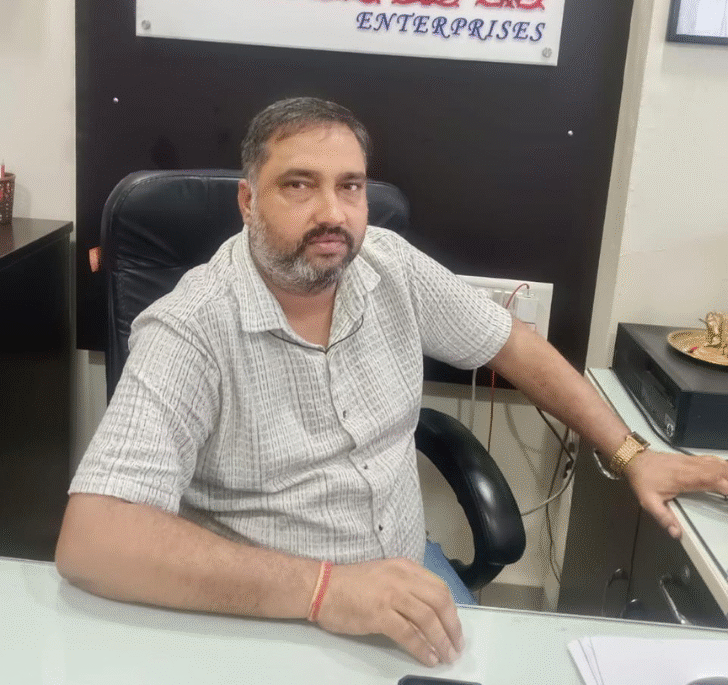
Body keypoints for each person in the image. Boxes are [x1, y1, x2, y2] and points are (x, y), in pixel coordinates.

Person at [56, 97, 728, 667]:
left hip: (409, 586)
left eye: (350, 186)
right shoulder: (189, 328)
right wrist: (324, 591)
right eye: (299, 185)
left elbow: (514, 344)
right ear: (248, 201)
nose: (333, 212)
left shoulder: (388, 264)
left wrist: (631, 453)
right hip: (265, 619)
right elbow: (95, 539)